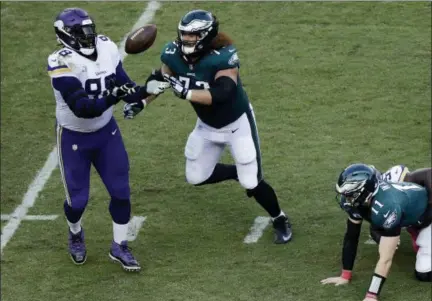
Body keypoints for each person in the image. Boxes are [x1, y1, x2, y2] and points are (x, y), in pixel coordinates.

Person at [124, 9, 292, 243]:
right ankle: (236, 173)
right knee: (196, 176)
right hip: (207, 125)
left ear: (206, 35)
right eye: (184, 34)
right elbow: (162, 79)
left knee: (252, 182)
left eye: (193, 35)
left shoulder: (223, 57)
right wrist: (142, 102)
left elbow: (223, 92)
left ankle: (279, 218)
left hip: (236, 124)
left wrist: (187, 93)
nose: (187, 40)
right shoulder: (173, 54)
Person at [48, 7, 167, 271]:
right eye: (81, 33)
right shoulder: (59, 61)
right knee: (77, 202)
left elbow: (126, 87)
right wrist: (115, 94)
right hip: (73, 137)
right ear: (65, 35)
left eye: (89, 30)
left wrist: (148, 89)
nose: (88, 36)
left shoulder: (107, 47)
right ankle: (76, 232)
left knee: (121, 192)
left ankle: (119, 246)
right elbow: (83, 108)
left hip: (106, 133)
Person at [321, 163, 431, 301]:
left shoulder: (387, 206)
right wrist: (345, 275)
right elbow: (351, 236)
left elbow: (386, 258)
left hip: (427, 219)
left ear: (365, 192)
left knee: (424, 272)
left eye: (350, 194)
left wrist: (371, 295)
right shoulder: (365, 201)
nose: (346, 199)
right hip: (411, 214)